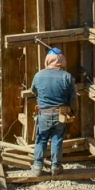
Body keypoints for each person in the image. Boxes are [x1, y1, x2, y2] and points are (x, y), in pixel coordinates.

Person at [29, 47, 76, 176]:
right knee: (57, 140)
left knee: (41, 139)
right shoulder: (67, 76)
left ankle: (38, 167)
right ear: (62, 60)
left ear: (48, 60)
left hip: (44, 114)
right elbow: (73, 98)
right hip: (61, 114)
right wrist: (73, 112)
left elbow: (33, 91)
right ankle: (55, 167)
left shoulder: (38, 75)